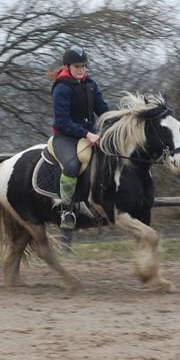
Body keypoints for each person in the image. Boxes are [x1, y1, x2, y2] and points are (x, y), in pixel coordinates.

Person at [48, 46, 110, 229]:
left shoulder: (91, 84)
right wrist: (87, 133)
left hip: (88, 136)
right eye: (77, 66)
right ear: (68, 66)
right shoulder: (61, 88)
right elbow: (62, 122)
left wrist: (116, 120)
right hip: (65, 137)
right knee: (72, 165)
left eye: (83, 66)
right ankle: (66, 210)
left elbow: (103, 109)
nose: (81, 69)